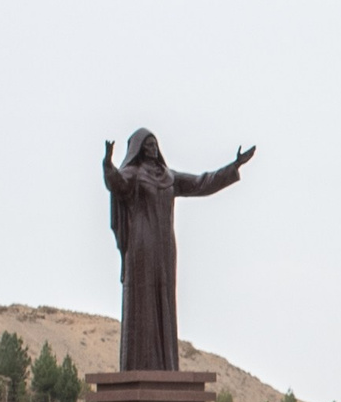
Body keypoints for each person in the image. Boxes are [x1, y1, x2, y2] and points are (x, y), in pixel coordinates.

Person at [102, 129, 254, 371]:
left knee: (163, 299)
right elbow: (117, 183)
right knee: (142, 301)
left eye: (154, 144)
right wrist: (108, 164)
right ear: (138, 149)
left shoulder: (169, 177)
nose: (152, 149)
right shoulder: (133, 175)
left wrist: (233, 166)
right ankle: (139, 364)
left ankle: (164, 364)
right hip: (141, 246)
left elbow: (201, 183)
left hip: (165, 248)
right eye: (147, 145)